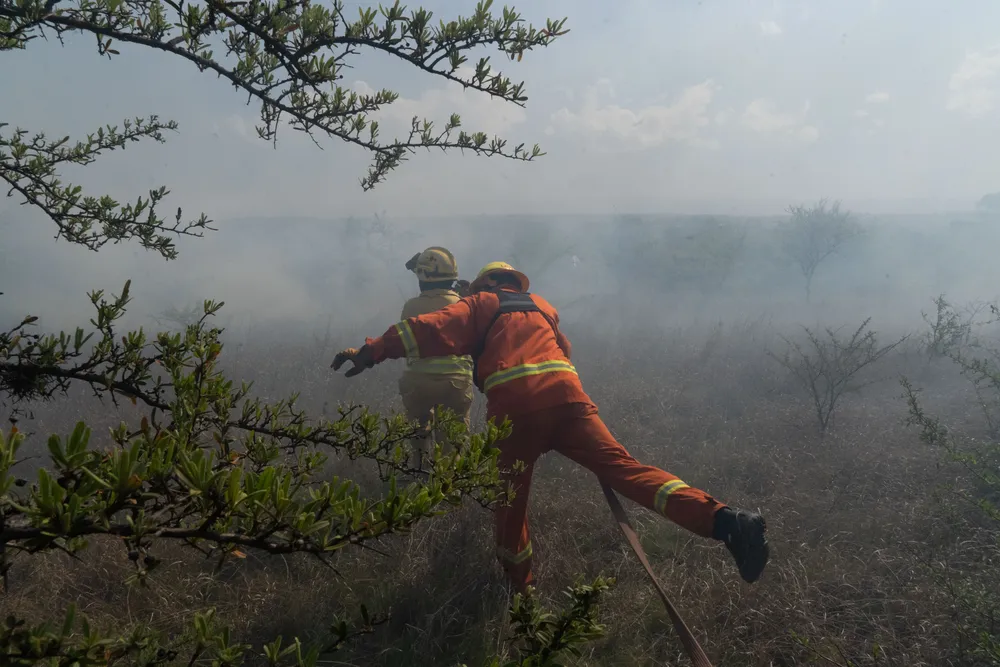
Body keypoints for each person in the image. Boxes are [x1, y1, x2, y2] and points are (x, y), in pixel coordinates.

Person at [331, 261, 769, 592]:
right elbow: (563, 349)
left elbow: (425, 329)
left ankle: (520, 593)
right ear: (515, 284)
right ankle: (726, 521)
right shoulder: (543, 306)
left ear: (483, 285)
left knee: (510, 503)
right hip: (569, 402)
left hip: (516, 413)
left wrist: (369, 351)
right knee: (628, 470)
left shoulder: (480, 304)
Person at [396, 247, 475, 468]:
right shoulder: (464, 305)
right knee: (452, 442)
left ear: (421, 277)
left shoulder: (411, 306)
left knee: (418, 437)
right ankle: (447, 492)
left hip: (417, 381)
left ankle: (418, 481)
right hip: (456, 383)